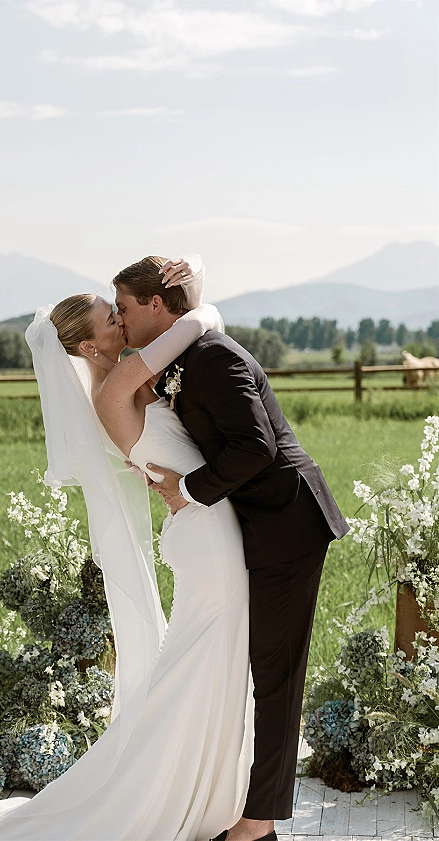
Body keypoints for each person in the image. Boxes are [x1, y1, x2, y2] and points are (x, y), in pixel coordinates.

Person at [0, 256, 255, 841]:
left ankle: (206, 793)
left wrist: (181, 292)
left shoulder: (127, 377)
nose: (122, 321)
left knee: (210, 664)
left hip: (206, 527)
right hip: (206, 538)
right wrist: (195, 289)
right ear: (88, 347)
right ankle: (177, 795)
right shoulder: (114, 388)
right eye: (111, 317)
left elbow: (185, 335)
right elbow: (199, 323)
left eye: (121, 310)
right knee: (202, 665)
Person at [112, 257, 349, 841]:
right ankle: (248, 812)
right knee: (265, 670)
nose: (119, 319)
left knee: (277, 675)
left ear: (156, 305)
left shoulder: (213, 357)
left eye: (123, 308)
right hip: (263, 527)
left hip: (288, 525)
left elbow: (257, 447)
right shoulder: (189, 355)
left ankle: (257, 826)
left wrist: (188, 490)